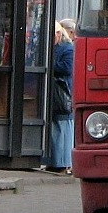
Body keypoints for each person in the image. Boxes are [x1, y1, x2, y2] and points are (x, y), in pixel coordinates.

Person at [44, 21, 74, 174]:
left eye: (55, 34)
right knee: (54, 125)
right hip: (52, 91)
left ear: (59, 33)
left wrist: (49, 64)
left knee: (62, 125)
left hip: (63, 91)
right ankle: (53, 161)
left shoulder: (67, 48)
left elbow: (67, 68)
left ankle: (63, 162)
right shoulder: (51, 47)